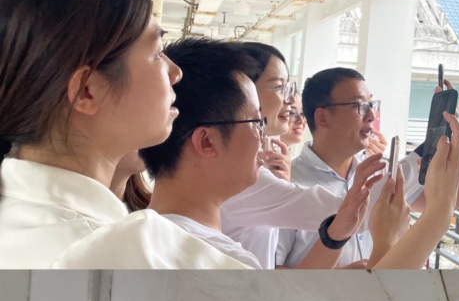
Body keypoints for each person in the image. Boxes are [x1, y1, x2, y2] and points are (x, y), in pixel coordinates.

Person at [0, 0, 242, 268]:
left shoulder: (20, 216)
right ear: (87, 91)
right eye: (157, 53)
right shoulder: (118, 256)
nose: (176, 72)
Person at [141, 37, 381, 269]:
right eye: (257, 122)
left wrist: (335, 235)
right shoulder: (225, 263)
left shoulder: (137, 236)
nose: (262, 138)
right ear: (206, 142)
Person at [276, 69, 459, 268]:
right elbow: (269, 271)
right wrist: (338, 278)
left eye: (372, 104)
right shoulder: (287, 185)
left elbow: (436, 199)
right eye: (360, 106)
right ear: (323, 117)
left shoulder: (381, 171)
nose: (371, 115)